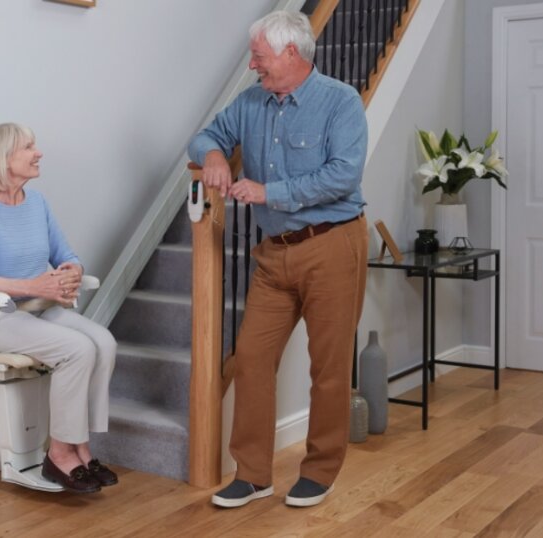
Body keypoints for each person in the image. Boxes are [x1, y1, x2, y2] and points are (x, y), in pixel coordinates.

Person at [188, 11, 368, 509]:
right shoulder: (251, 103)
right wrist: (215, 157)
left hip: (332, 246)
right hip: (273, 257)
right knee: (250, 359)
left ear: (291, 53)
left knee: (328, 367)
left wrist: (271, 192)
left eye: (259, 56)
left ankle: (320, 469)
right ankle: (252, 474)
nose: (252, 65)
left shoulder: (341, 102)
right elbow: (205, 136)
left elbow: (343, 176)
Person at [0, 122, 118, 494]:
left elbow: (67, 254)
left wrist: (73, 271)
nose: (38, 152)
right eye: (29, 146)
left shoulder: (38, 202)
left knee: (104, 342)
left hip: (41, 310)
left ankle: (81, 446)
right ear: (4, 157)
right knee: (76, 349)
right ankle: (59, 453)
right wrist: (30, 286)